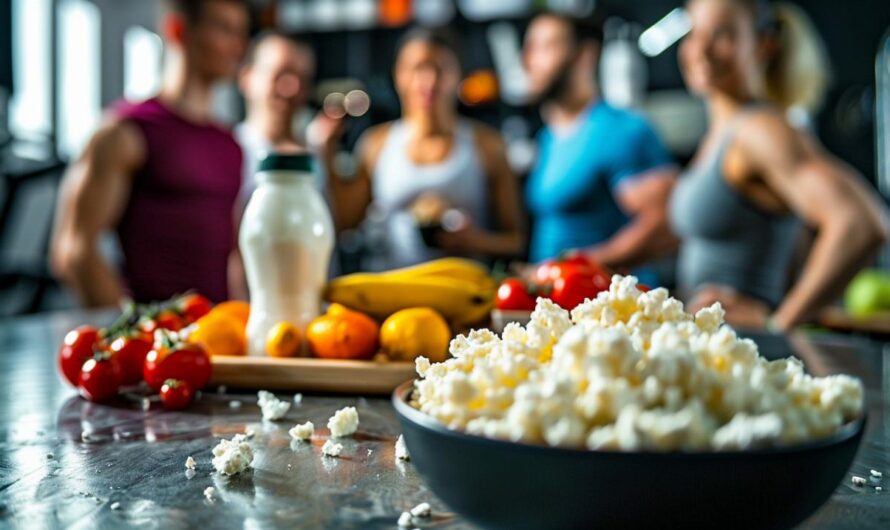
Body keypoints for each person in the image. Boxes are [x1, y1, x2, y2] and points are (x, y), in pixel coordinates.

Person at [670, 0, 888, 330]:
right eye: (693, 33)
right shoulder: (722, 132)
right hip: (713, 345)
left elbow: (861, 223)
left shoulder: (759, 131)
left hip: (749, 352)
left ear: (763, 45)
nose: (700, 49)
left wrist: (779, 323)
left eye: (722, 34)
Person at [51, 0, 249, 306]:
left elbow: (234, 257)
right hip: (158, 344)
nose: (237, 47)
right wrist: (133, 329)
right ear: (178, 29)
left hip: (217, 338)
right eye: (224, 29)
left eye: (241, 33)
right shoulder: (126, 131)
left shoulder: (231, 145)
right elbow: (75, 250)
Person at [320, 29, 524, 269]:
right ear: (398, 75)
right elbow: (346, 222)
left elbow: (516, 241)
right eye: (417, 68)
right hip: (389, 290)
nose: (429, 81)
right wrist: (326, 151)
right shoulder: (376, 143)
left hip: (463, 291)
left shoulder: (488, 144)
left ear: (458, 75)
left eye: (440, 69)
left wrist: (475, 241)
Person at [522, 13, 679, 284]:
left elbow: (665, 224)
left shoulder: (620, 129)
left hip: (607, 313)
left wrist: (571, 269)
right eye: (529, 48)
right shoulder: (548, 137)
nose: (530, 61)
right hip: (555, 307)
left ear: (585, 55)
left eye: (547, 46)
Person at [236, 31, 317, 201]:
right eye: (281, 74)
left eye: (303, 79)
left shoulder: (318, 159)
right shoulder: (229, 153)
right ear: (247, 77)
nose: (293, 88)